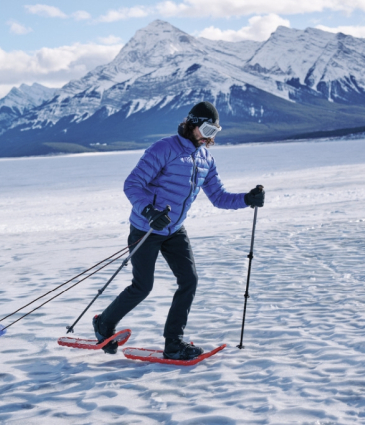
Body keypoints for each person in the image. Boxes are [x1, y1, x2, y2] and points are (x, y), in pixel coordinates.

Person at [93, 101, 265, 360]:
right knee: (142, 286)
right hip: (146, 228)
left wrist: (247, 200)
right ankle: (103, 323)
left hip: (174, 230)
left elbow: (218, 197)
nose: (210, 137)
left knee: (189, 280)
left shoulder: (205, 158)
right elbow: (132, 184)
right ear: (192, 123)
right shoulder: (165, 148)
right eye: (207, 129)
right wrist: (150, 212)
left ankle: (173, 343)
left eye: (215, 131)